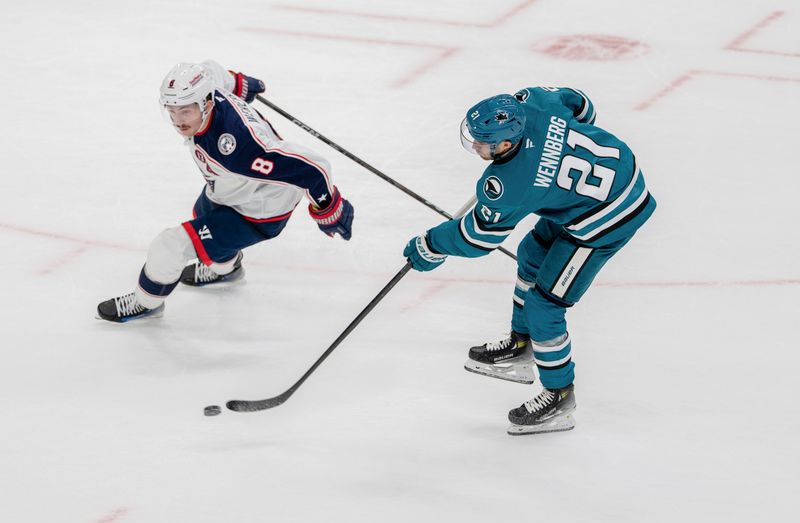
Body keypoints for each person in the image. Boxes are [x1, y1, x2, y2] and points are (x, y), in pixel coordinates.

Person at [403, 87, 655, 435]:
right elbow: (580, 104)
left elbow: (478, 239)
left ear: (506, 145)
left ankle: (559, 395)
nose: (475, 146)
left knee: (545, 305)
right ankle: (521, 345)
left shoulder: (510, 184)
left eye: (482, 143)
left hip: (609, 217)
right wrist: (559, 149)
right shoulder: (534, 102)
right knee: (531, 253)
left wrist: (432, 245)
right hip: (602, 182)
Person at [97, 60, 354, 322]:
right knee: (202, 213)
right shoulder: (207, 86)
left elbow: (311, 168)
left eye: (185, 111)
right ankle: (226, 270)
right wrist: (238, 84)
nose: (178, 121)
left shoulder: (240, 148)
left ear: (206, 103)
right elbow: (211, 69)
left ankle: (146, 304)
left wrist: (328, 209)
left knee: (170, 245)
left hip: (259, 212)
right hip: (231, 188)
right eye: (172, 111)